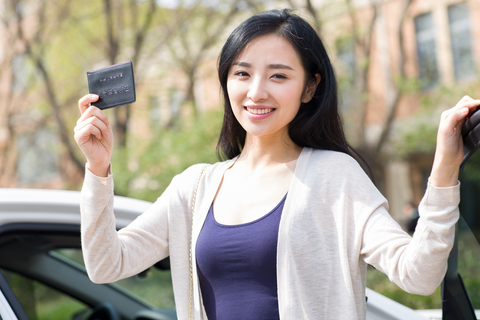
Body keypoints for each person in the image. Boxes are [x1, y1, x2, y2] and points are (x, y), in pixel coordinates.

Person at [74, 8, 480, 320]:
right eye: (242, 73)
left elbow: (419, 275)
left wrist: (444, 168)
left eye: (279, 77)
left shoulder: (333, 177)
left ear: (310, 87)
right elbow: (107, 264)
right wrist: (98, 170)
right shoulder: (193, 188)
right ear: (226, 81)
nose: (256, 92)